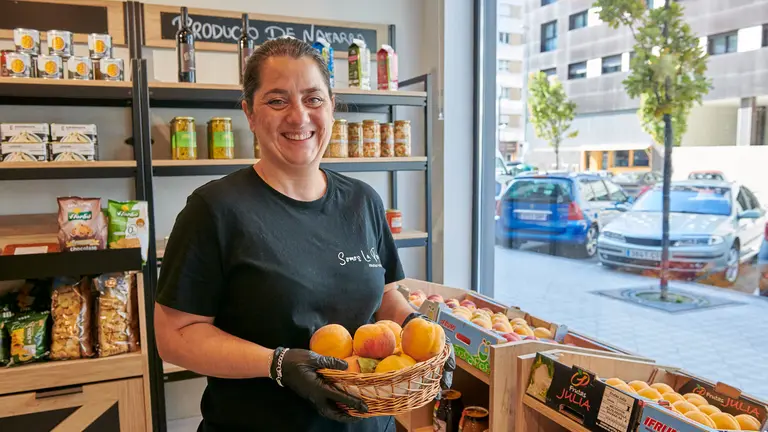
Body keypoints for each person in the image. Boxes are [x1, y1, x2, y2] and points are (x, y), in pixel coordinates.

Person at [154, 37, 453, 432]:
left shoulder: (363, 201)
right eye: (277, 101)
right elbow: (175, 336)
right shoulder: (214, 210)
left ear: (331, 107)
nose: (299, 117)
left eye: (313, 99)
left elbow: (385, 295)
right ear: (249, 113)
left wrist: (419, 328)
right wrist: (275, 363)